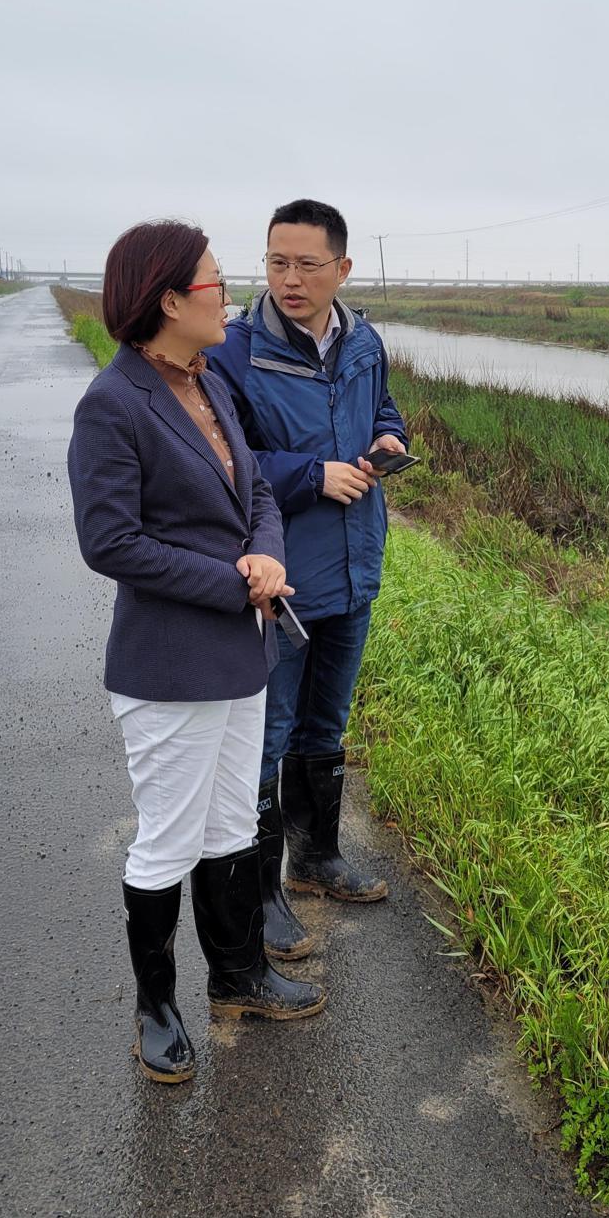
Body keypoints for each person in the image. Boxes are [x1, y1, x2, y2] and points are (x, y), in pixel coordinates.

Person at [67, 220, 325, 1086]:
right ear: (171, 299)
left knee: (227, 827)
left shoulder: (203, 381)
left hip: (238, 656)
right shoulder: (114, 404)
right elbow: (110, 542)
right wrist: (231, 579)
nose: (234, 292)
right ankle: (157, 1008)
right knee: (169, 839)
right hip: (170, 667)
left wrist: (268, 551)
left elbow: (254, 489)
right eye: (218, 282)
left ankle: (239, 977)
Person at [206, 199, 407, 962]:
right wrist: (309, 475)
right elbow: (225, 462)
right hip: (282, 579)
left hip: (355, 566)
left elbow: (384, 409)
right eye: (276, 262)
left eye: (306, 264)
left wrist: (390, 436)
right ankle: (261, 895)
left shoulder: (364, 342)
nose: (288, 279)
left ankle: (317, 858)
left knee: (326, 729)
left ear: (342, 270)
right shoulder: (234, 351)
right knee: (267, 737)